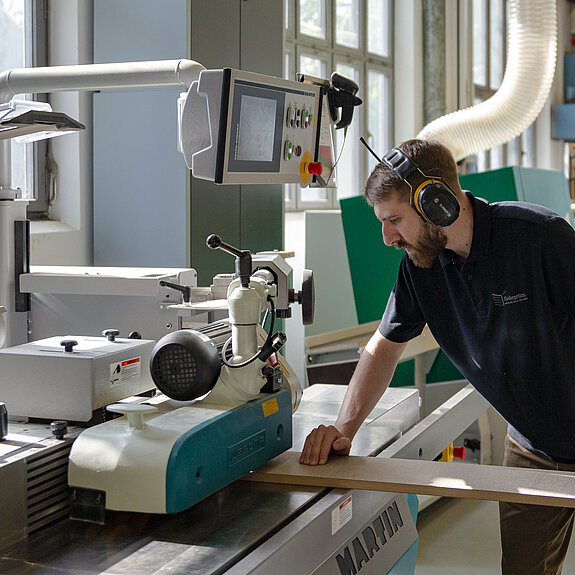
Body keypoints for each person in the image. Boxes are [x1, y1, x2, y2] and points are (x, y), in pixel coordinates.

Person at [299, 138, 575, 575]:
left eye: (394, 220)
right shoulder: (420, 266)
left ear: (437, 204)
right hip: (533, 446)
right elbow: (383, 346)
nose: (387, 237)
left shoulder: (539, 238)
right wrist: (344, 428)